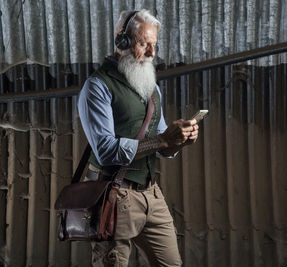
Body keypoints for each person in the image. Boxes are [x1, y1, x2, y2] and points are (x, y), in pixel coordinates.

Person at [77, 9, 199, 267]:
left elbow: (161, 140)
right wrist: (162, 141)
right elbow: (105, 150)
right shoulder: (97, 86)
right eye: (144, 44)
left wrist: (179, 140)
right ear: (121, 41)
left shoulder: (150, 85)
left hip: (151, 194)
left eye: (154, 45)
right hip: (114, 194)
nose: (152, 54)